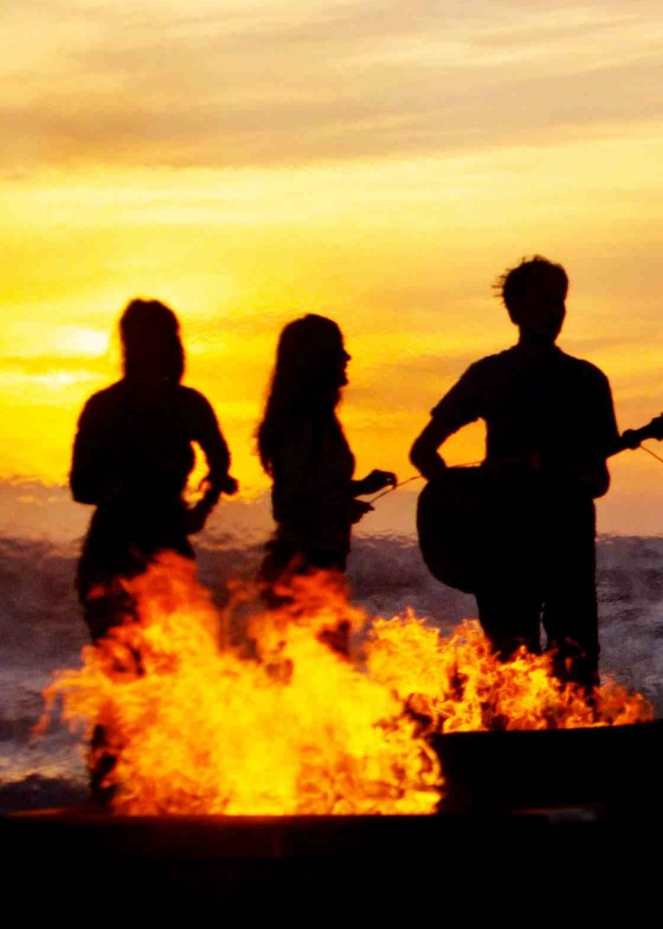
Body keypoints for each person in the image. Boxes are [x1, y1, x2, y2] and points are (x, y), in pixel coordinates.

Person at [410, 256, 619, 688]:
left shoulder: (588, 381)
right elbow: (423, 451)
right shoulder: (488, 375)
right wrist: (464, 496)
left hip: (568, 547)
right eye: (543, 301)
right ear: (515, 310)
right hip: (502, 546)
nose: (554, 312)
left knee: (576, 670)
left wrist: (564, 478)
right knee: (509, 666)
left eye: (559, 302)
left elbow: (599, 481)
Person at [71, 298, 237, 644]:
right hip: (122, 553)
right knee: (141, 668)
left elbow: (221, 465)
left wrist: (204, 505)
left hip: (143, 549)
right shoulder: (181, 404)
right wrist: (201, 505)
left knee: (151, 667)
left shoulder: (110, 406)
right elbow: (81, 486)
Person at [256, 314, 396, 600]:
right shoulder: (301, 422)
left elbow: (313, 487)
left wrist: (359, 487)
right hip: (302, 570)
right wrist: (340, 509)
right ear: (317, 360)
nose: (347, 356)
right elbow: (286, 505)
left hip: (319, 565)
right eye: (338, 349)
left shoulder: (320, 419)